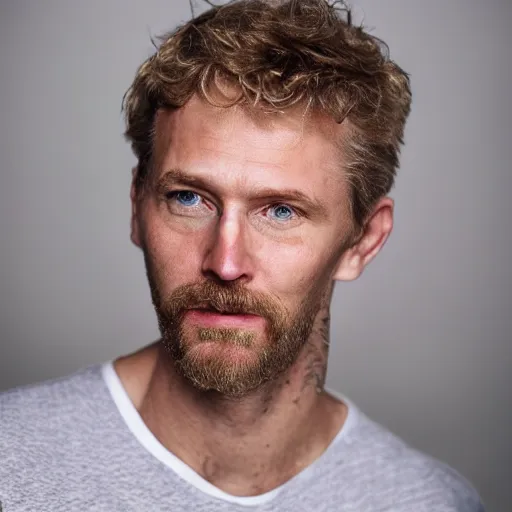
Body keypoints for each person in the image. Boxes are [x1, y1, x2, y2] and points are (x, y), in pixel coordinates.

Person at [0, 1, 484, 510]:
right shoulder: (12, 462)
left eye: (280, 211)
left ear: (363, 241)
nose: (225, 263)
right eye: (188, 198)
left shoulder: (428, 502)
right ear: (138, 206)